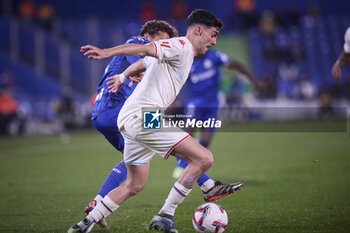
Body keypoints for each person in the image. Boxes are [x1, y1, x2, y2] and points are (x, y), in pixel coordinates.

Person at [69, 9, 238, 233]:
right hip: (143, 116)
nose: (214, 41)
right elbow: (144, 48)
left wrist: (121, 77)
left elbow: (144, 62)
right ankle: (168, 213)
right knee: (204, 158)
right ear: (198, 30)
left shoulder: (181, 53)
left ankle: (83, 226)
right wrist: (106, 52)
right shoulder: (182, 46)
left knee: (134, 184)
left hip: (129, 118)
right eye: (213, 34)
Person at [172, 49, 261, 179]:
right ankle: (181, 164)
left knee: (206, 140)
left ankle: (192, 161)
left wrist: (254, 81)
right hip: (194, 103)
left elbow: (237, 65)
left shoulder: (215, 56)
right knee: (188, 135)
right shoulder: (188, 61)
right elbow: (176, 82)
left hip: (212, 104)